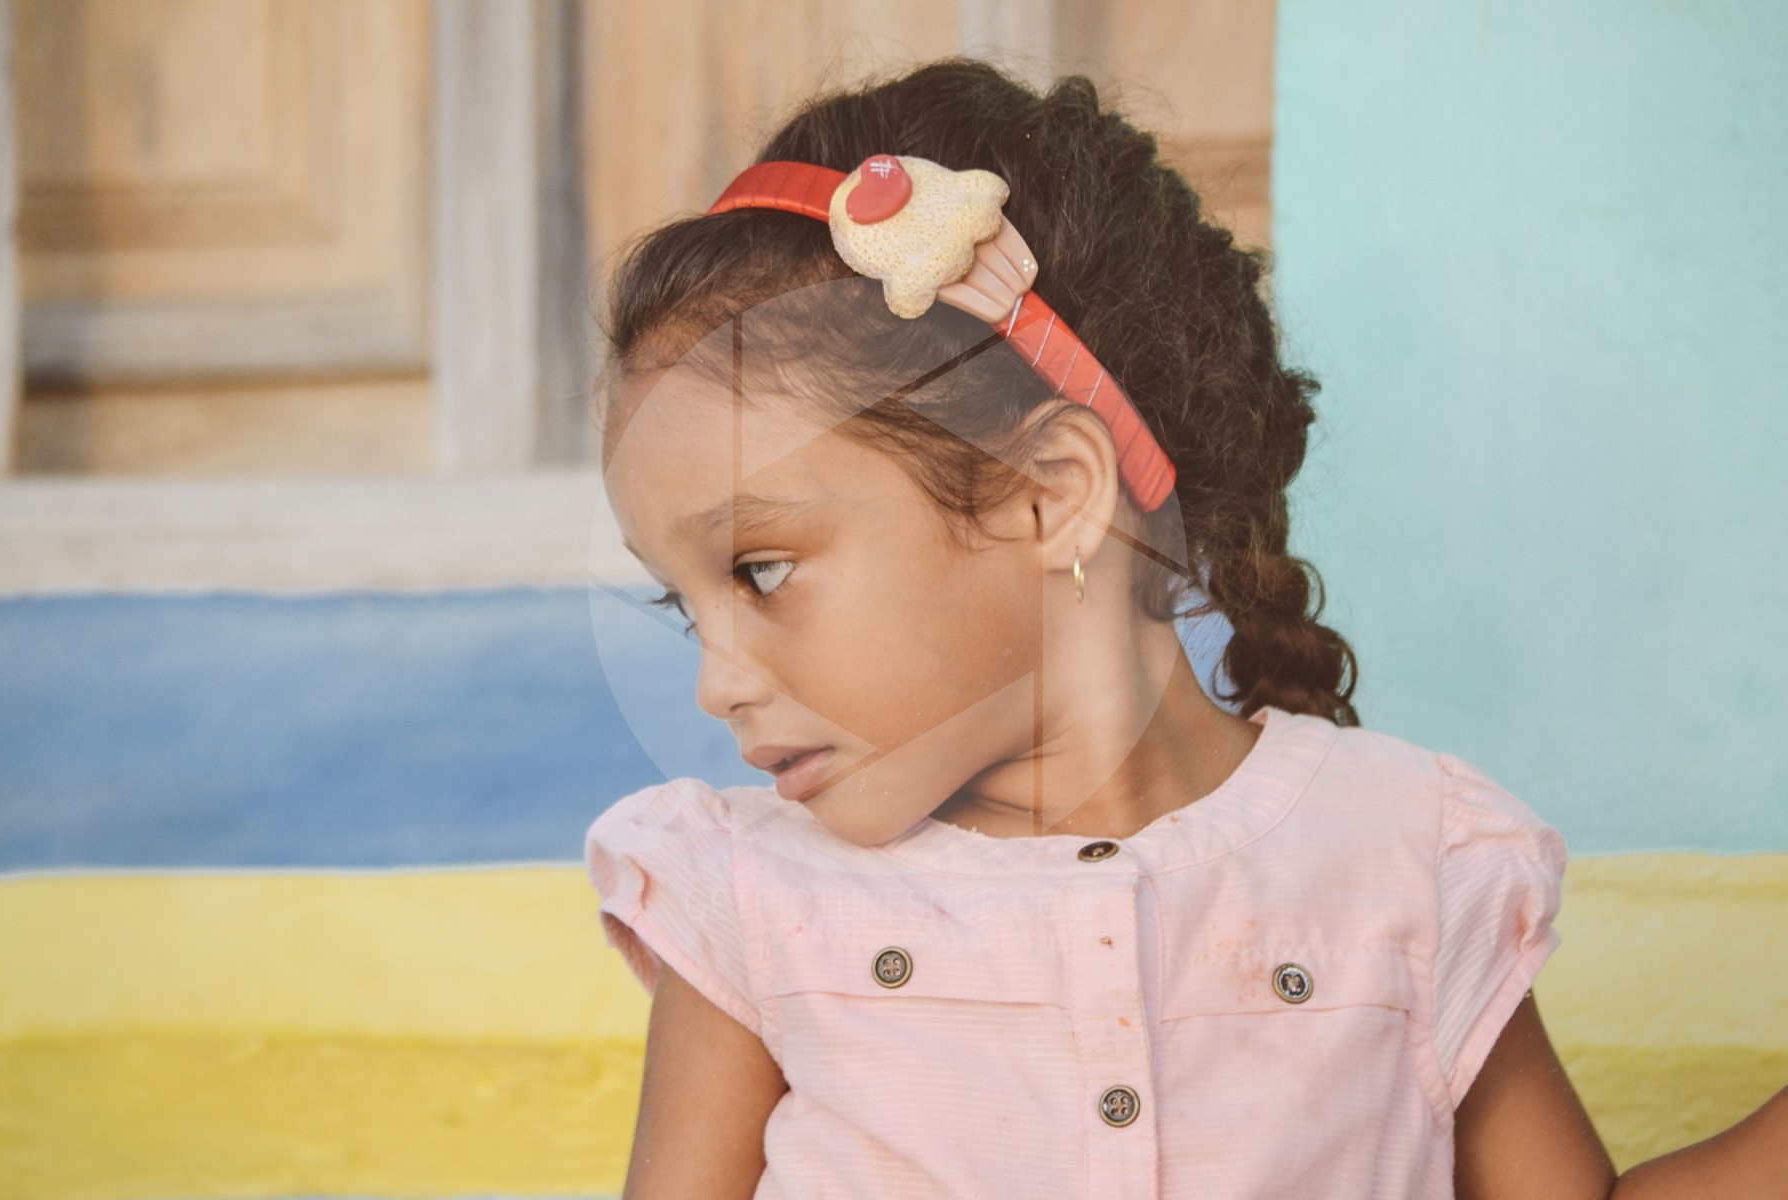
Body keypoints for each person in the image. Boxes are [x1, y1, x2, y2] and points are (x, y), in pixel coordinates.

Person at [582, 58, 1785, 1198]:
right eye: (684, 605)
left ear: (1051, 497)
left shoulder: (1407, 862)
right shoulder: (753, 904)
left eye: (762, 571)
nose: (716, 684)